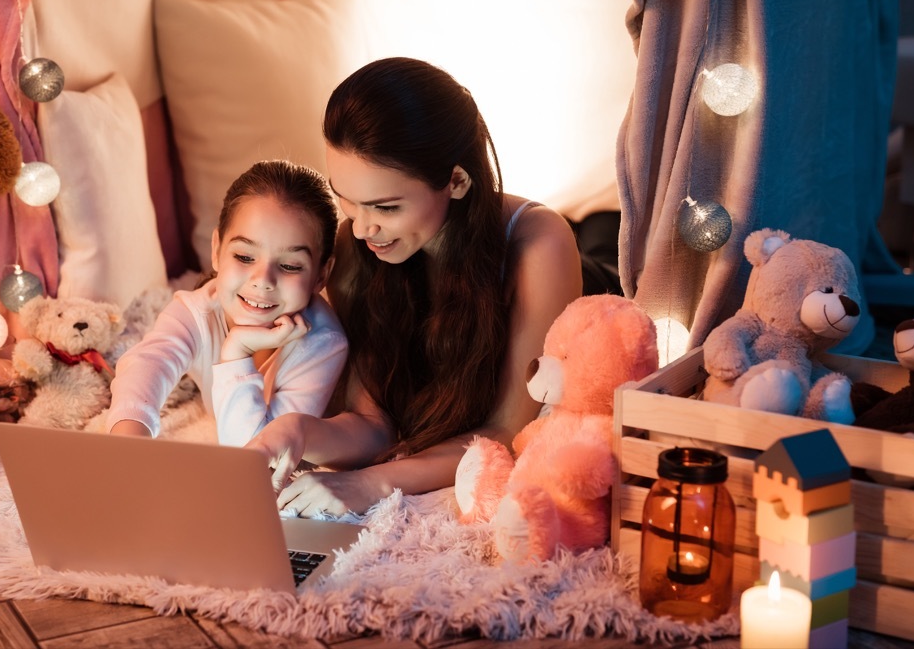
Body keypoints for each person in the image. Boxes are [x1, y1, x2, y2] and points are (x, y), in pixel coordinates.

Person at [245, 57, 583, 517]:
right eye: (347, 200)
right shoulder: (355, 245)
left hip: (583, 265)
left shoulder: (539, 245)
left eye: (385, 207)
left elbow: (505, 433)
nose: (364, 228)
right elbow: (374, 421)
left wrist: (372, 483)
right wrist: (297, 429)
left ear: (457, 181)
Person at [105, 160, 348, 447]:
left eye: (290, 265)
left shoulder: (322, 344)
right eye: (245, 257)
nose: (263, 280)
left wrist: (237, 352)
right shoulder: (198, 311)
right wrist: (128, 446)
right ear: (217, 251)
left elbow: (254, 456)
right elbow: (146, 366)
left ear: (321, 275)